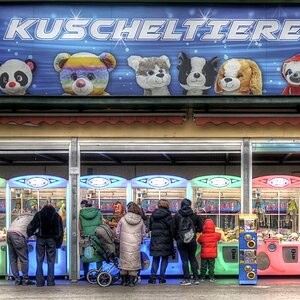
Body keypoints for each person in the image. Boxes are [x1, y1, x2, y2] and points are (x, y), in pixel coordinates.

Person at [27, 203, 64, 287]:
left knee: (39, 260)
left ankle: (39, 282)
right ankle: (51, 282)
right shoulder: (56, 216)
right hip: (52, 240)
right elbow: (60, 231)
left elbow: (31, 226)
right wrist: (58, 243)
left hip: (40, 239)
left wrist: (30, 234)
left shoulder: (39, 214)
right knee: (51, 261)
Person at [174, 198, 203, 286]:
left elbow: (173, 228)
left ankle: (186, 279)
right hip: (192, 240)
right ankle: (196, 278)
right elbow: (200, 228)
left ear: (181, 205)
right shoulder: (195, 215)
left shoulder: (177, 215)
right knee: (192, 258)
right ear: (190, 205)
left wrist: (177, 237)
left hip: (181, 240)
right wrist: (193, 233)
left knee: (184, 260)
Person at [116, 202, 146, 287]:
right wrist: (141, 239)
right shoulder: (140, 220)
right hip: (135, 244)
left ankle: (124, 281)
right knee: (133, 261)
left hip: (124, 243)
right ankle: (132, 282)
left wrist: (120, 238)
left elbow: (118, 231)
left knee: (124, 260)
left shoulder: (122, 219)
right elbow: (143, 233)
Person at [148, 199, 174, 284]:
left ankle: (152, 277)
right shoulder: (168, 216)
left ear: (158, 205)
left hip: (155, 240)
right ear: (167, 205)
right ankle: (162, 278)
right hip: (166, 240)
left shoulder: (153, 215)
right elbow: (172, 229)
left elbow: (150, 227)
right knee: (164, 259)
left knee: (155, 259)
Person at [7, 212, 35, 285]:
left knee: (13, 259)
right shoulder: (32, 218)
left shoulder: (18, 218)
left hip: (9, 234)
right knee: (24, 259)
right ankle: (26, 279)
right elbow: (32, 229)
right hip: (18, 236)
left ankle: (17, 279)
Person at [79, 200, 103, 280]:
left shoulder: (81, 214)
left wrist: (81, 234)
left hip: (86, 237)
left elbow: (79, 226)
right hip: (96, 236)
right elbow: (101, 224)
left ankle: (86, 274)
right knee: (99, 255)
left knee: (86, 255)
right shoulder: (98, 213)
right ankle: (99, 274)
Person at [197, 218, 221, 282]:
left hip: (204, 255)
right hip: (212, 255)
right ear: (213, 226)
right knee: (211, 267)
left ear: (204, 227)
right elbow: (220, 236)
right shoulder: (216, 235)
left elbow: (198, 241)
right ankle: (211, 278)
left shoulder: (202, 236)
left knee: (203, 266)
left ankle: (202, 278)